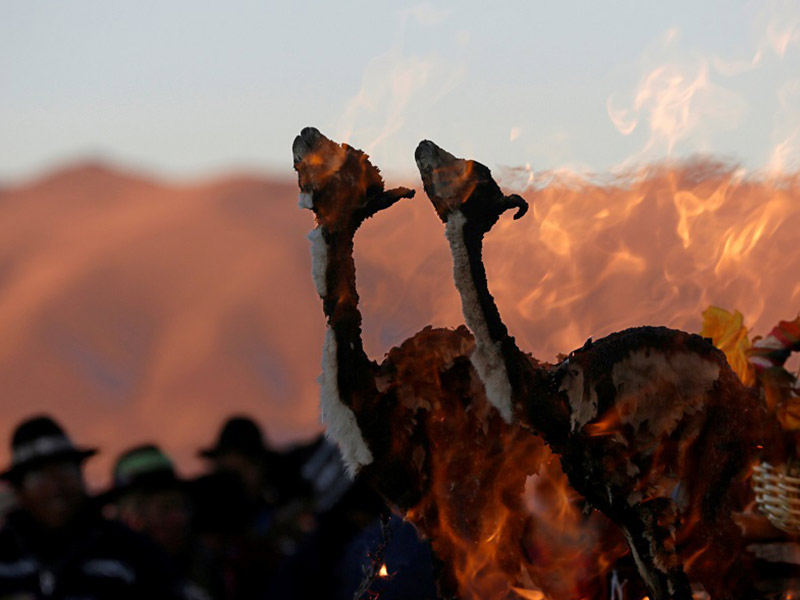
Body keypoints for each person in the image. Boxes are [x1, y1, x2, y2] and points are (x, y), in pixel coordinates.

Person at [0, 415, 182, 599]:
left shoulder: (132, 550)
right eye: (37, 477)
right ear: (18, 489)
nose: (55, 487)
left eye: (65, 471)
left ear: (81, 474)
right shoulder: (5, 556)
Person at [101, 444, 221, 600]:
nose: (179, 518)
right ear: (129, 515)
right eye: (165, 508)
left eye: (183, 506)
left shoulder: (208, 566)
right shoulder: (102, 576)